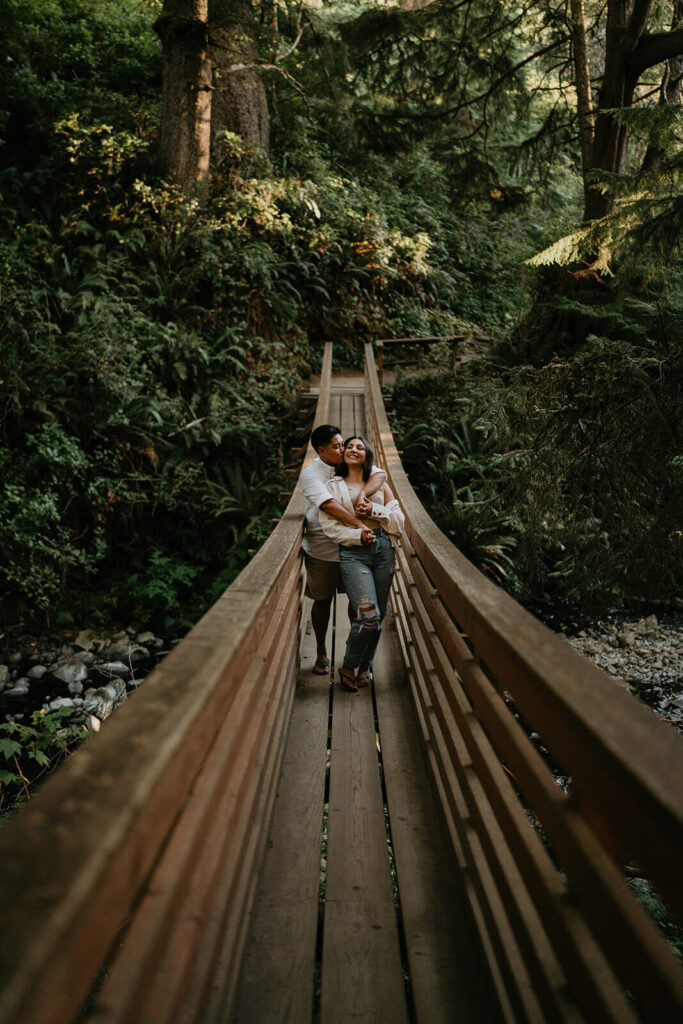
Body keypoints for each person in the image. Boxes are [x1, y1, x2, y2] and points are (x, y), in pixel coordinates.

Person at [318, 435, 404, 693]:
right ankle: (348, 665)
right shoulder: (333, 486)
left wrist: (375, 512)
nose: (354, 449)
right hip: (354, 552)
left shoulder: (380, 484)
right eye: (350, 446)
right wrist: (358, 534)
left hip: (384, 550)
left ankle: (364, 667)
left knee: (380, 616)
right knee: (368, 615)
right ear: (342, 453)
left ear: (367, 454)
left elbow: (398, 522)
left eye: (360, 447)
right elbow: (330, 527)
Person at [299, 425, 386, 675]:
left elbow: (380, 475)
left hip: (355, 547)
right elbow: (328, 504)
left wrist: (363, 496)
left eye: (343, 443)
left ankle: (352, 653)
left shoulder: (349, 462)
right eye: (337, 446)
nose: (344, 448)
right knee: (322, 600)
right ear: (321, 450)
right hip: (323, 547)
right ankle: (321, 652)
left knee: (356, 602)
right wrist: (358, 523)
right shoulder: (311, 474)